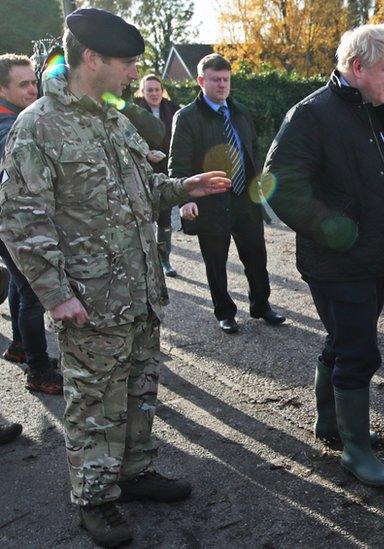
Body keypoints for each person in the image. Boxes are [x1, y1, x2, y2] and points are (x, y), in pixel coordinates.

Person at [0, 8, 231, 546]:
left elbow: (141, 192)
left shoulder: (113, 119)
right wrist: (55, 295)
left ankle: (133, 472)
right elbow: (20, 218)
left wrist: (182, 187)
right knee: (92, 402)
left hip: (138, 290)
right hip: (88, 298)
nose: (134, 74)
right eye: (127, 64)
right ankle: (95, 499)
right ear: (92, 58)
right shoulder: (38, 126)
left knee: (137, 388)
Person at [264, 24, 384, 488]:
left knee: (345, 338)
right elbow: (279, 184)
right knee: (357, 350)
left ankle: (332, 425)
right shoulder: (312, 115)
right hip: (337, 261)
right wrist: (331, 227)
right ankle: (356, 450)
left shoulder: (374, 110)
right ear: (357, 67)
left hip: (369, 258)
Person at [169, 53, 285, 334]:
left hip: (245, 199)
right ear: (201, 81)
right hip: (210, 202)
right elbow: (178, 164)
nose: (222, 85)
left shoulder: (240, 111)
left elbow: (252, 149)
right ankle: (225, 312)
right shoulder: (186, 118)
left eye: (226, 79)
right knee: (216, 263)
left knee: (256, 256)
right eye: (215, 79)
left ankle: (261, 305)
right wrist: (186, 200)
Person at [0, 54, 63, 394]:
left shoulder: (14, 116)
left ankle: (21, 346)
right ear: (2, 88)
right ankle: (39, 372)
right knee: (33, 294)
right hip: (12, 221)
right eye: (22, 84)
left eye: (33, 81)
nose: (32, 89)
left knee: (18, 284)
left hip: (6, 223)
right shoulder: (9, 125)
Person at [135, 74, 180, 277]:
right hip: (141, 169)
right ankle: (145, 262)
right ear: (142, 92)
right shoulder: (134, 110)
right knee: (143, 216)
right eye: (149, 90)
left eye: (157, 89)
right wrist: (146, 153)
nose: (154, 93)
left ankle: (165, 260)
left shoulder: (173, 109)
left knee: (165, 216)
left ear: (162, 91)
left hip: (166, 169)